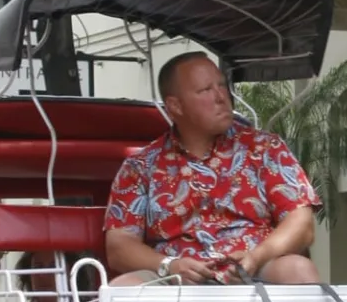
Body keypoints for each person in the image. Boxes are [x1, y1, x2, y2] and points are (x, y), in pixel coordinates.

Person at [105, 51, 323, 285]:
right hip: (175, 278)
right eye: (206, 90)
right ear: (175, 106)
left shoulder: (264, 148)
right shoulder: (140, 167)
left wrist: (257, 256)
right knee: (123, 287)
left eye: (222, 85)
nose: (221, 96)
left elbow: (302, 223)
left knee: (298, 269)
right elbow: (119, 246)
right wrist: (169, 266)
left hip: (255, 268)